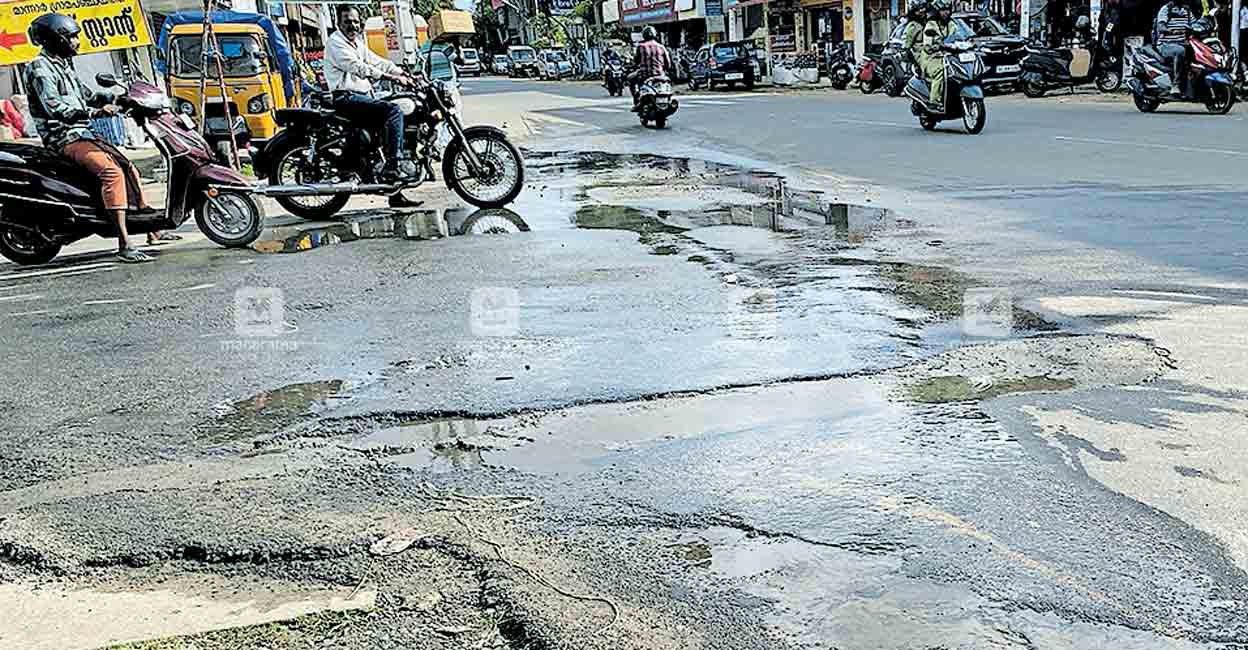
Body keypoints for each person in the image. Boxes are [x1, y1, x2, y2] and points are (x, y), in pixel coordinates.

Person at [24, 13, 154, 263]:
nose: (76, 42)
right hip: (63, 137)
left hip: (83, 134)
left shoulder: (63, 65)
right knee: (111, 172)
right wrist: (96, 113)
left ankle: (153, 230)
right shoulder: (39, 68)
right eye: (72, 37)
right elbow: (55, 108)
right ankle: (124, 243)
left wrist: (120, 98)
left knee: (128, 166)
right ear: (56, 39)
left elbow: (87, 96)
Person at [324, 5, 418, 182]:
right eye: (347, 22)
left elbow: (377, 61)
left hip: (361, 95)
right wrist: (392, 78)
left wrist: (403, 73)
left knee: (389, 117)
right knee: (394, 110)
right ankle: (393, 166)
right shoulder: (336, 42)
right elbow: (358, 67)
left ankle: (386, 179)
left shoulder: (357, 43)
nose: (353, 26)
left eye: (355, 22)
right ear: (338, 23)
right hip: (346, 97)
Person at [916, 0, 957, 110]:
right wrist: (938, 46)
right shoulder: (931, 25)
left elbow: (958, 36)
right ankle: (934, 101)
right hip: (931, 57)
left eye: (947, 10)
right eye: (943, 10)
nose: (946, 12)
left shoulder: (951, 24)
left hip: (948, 56)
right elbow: (927, 46)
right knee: (940, 71)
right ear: (937, 11)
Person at [1154, 0, 1194, 96]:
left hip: (1183, 43)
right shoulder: (1166, 9)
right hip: (1166, 44)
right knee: (1179, 51)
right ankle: (1176, 84)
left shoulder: (1186, 10)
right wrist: (1170, 31)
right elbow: (1160, 26)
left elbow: (1194, 24)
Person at [629, 26, 674, 111]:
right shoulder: (661, 47)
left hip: (644, 75)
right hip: (660, 75)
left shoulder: (641, 46)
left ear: (644, 35)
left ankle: (636, 100)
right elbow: (668, 64)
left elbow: (636, 61)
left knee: (630, 79)